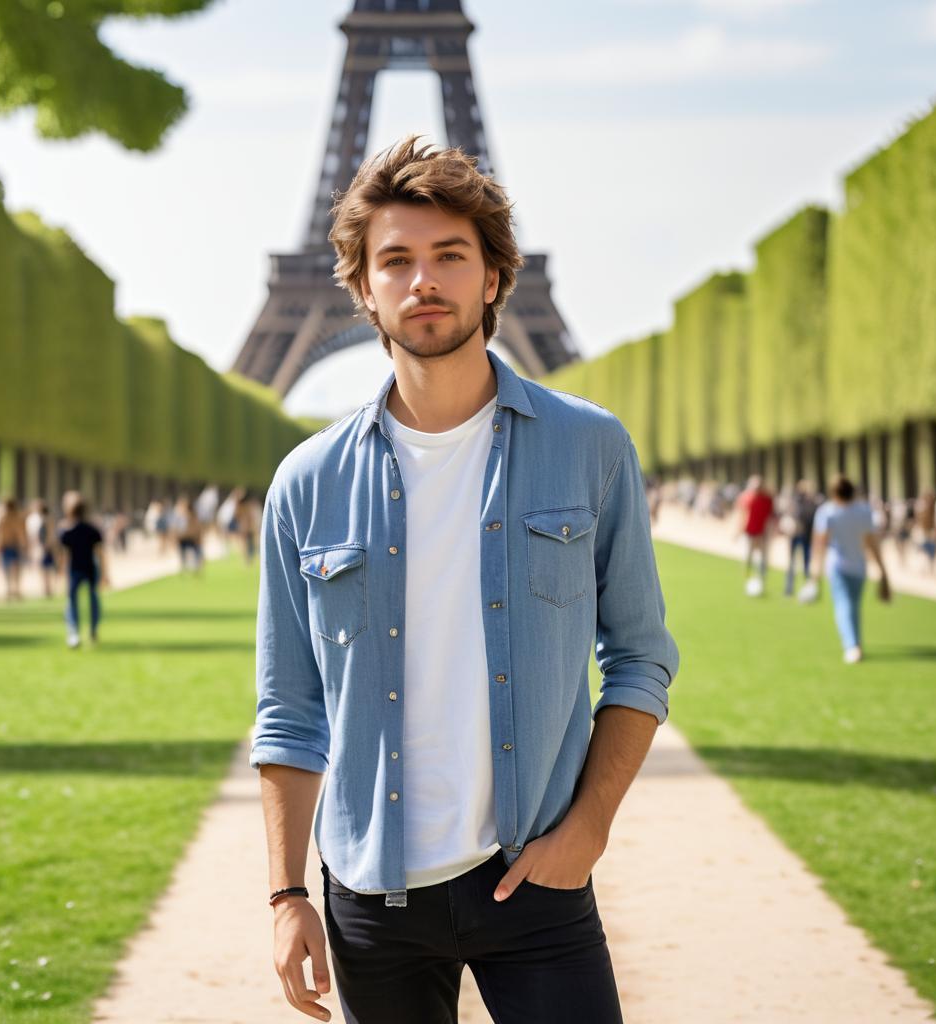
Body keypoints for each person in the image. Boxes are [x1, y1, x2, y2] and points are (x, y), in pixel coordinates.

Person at [250, 136, 680, 1024]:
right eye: (396, 260)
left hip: (537, 883)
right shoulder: (306, 481)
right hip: (372, 898)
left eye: (451, 255)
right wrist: (286, 895)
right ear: (363, 286)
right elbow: (290, 709)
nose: (424, 281)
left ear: (493, 277)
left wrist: (589, 828)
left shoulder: (589, 446)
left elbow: (639, 655)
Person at [810, 473, 890, 663]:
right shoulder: (864, 512)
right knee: (853, 606)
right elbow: (872, 543)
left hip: (838, 565)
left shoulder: (828, 512)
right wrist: (883, 572)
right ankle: (856, 643)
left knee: (843, 606)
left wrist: (815, 574)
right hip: (859, 567)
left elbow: (820, 544)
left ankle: (852, 645)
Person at [58, 495, 108, 649]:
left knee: (72, 602)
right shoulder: (93, 530)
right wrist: (105, 573)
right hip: (90, 568)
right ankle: (93, 630)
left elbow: (64, 556)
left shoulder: (67, 532)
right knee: (93, 600)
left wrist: (61, 574)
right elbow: (100, 554)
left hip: (74, 569)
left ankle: (73, 632)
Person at [733, 474, 775, 594]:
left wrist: (772, 532)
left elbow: (771, 517)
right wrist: (737, 532)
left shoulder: (767, 499)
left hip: (762, 533)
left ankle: (761, 580)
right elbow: (741, 516)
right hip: (749, 532)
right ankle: (747, 579)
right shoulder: (745, 497)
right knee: (748, 558)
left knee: (762, 560)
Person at [782, 479, 820, 597]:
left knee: (807, 564)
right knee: (792, 563)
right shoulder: (795, 502)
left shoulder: (814, 503)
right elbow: (790, 515)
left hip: (807, 536)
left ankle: (809, 588)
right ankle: (789, 589)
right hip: (795, 536)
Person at [0, 496, 28, 601]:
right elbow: (22, 532)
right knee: (15, 568)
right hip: (12, 544)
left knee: (8, 568)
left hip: (7, 544)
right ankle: (15, 589)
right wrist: (24, 544)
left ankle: (11, 589)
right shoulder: (16, 516)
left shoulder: (2, 517)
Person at [26, 499, 60, 597]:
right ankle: (47, 588)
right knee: (46, 568)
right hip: (44, 546)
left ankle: (48, 589)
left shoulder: (45, 519)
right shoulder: (42, 519)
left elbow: (49, 534)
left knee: (46, 568)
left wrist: (45, 545)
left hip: (45, 547)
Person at [171, 494, 204, 575]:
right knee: (183, 554)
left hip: (192, 538)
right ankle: (184, 567)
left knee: (196, 553)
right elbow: (174, 528)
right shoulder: (178, 516)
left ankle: (196, 567)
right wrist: (175, 538)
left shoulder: (193, 516)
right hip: (182, 538)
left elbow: (197, 528)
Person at [913, 487, 936, 574]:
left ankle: (931, 567)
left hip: (931, 531)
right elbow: (918, 520)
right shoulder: (921, 506)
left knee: (932, 550)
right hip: (923, 531)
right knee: (923, 549)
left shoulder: (934, 507)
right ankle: (925, 568)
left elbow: (935, 520)